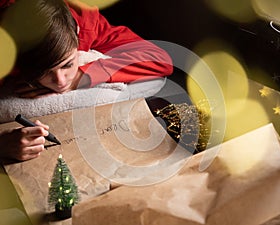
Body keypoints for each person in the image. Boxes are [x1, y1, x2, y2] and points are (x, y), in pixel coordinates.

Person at [0, 0, 173, 161]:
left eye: (67, 65)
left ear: (76, 32)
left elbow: (159, 59)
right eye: (42, 73)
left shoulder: (84, 21)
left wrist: (81, 76)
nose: (60, 82)